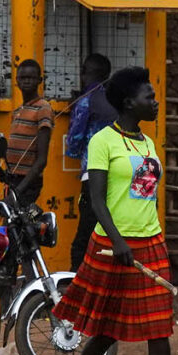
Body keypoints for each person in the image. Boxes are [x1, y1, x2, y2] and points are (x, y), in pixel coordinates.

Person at [52, 67, 178, 355]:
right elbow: (95, 199)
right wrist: (117, 242)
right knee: (104, 332)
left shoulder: (147, 143)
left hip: (150, 243)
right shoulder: (103, 141)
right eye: (150, 96)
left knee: (159, 331)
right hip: (111, 246)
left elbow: (146, 196)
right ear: (129, 103)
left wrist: (151, 240)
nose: (156, 101)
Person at [66, 54, 117, 271]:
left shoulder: (86, 100)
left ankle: (75, 282)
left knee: (84, 236)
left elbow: (73, 142)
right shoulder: (117, 99)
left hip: (93, 175)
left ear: (86, 73)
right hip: (118, 175)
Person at [6, 59, 53, 206]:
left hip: (27, 182)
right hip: (13, 179)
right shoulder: (19, 110)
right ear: (16, 81)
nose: (26, 81)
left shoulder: (43, 108)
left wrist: (19, 191)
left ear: (39, 80)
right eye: (22, 78)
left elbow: (41, 160)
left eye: (31, 78)